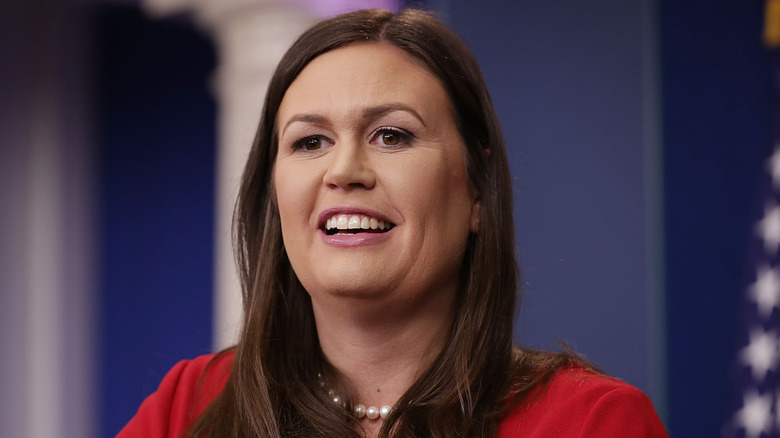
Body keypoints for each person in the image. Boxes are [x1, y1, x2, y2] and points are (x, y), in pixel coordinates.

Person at [118, 8, 667, 438]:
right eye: (310, 141)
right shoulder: (191, 405)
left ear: (477, 191)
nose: (345, 171)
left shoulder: (592, 422)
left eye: (393, 135)